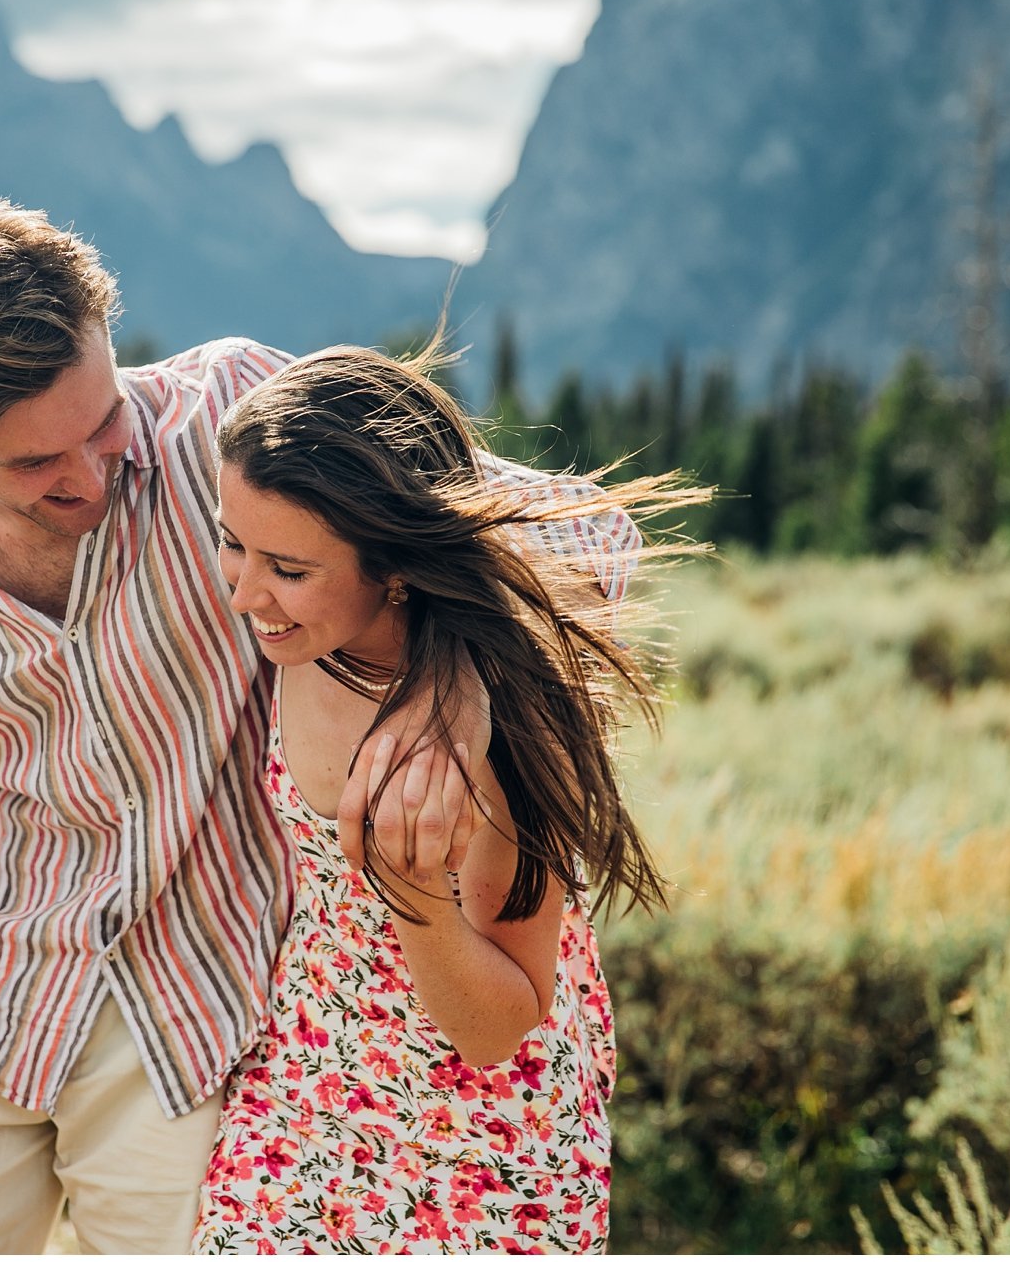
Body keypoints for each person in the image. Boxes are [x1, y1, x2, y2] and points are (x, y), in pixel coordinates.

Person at [0, 197, 475, 1253]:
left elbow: (567, 538)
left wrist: (442, 698)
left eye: (102, 421)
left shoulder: (236, 412)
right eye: (34, 465)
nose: (90, 472)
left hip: (202, 1003)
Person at [192, 344, 699, 1253]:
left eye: (287, 568)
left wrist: (415, 897)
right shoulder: (305, 635)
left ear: (396, 566)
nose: (242, 591)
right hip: (303, 1096)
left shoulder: (517, 721)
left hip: (488, 1152)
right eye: (232, 543)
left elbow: (499, 1024)